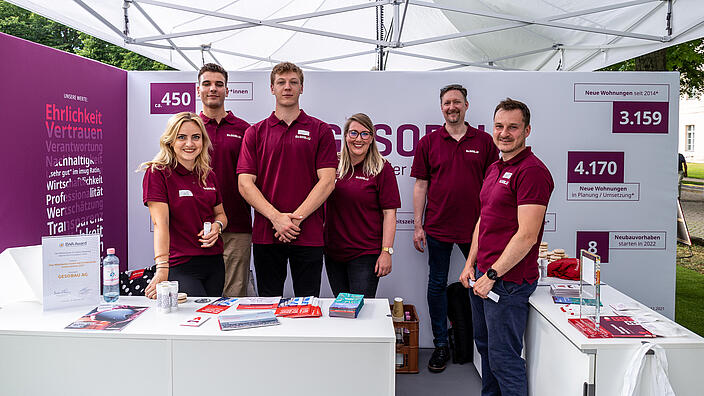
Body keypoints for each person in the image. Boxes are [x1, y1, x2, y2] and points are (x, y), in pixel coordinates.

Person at [459, 98, 554, 396]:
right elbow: (482, 221)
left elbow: (527, 235)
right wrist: (470, 264)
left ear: (527, 130)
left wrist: (493, 276)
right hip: (483, 277)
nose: (505, 133)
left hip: (508, 283)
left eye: (513, 127)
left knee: (504, 360)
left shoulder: (532, 172)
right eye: (499, 126)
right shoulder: (494, 168)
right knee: (487, 351)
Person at [410, 84, 498, 373]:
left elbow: (494, 188)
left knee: (483, 284)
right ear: (441, 107)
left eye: (457, 102)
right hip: (437, 227)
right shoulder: (428, 142)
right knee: (436, 284)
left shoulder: (485, 141)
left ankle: (483, 347)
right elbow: (421, 185)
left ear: (466, 105)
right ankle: (440, 345)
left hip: (477, 229)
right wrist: (418, 226)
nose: (452, 107)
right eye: (447, 103)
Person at [237, 62, 336, 297]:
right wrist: (276, 218)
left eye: (293, 82)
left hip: (309, 234)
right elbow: (245, 183)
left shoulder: (321, 130)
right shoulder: (256, 132)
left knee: (308, 305)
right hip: (266, 234)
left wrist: (294, 220)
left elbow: (327, 181)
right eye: (281, 82)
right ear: (272, 88)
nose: (287, 87)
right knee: (268, 304)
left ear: (302, 88)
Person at [140, 112, 227, 298]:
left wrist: (217, 227)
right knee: (191, 321)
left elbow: (220, 214)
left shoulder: (208, 174)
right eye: (182, 137)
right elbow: (159, 223)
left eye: (196, 137)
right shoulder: (158, 173)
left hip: (215, 262)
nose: (190, 144)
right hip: (180, 265)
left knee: (209, 319)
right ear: (170, 141)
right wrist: (162, 269)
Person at [324, 113, 401, 298]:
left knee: (361, 311)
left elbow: (390, 213)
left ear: (372, 138)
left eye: (365, 134)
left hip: (365, 254)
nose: (359, 139)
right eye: (353, 133)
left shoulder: (382, 168)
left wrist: (386, 252)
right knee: (342, 309)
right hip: (333, 253)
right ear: (345, 136)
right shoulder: (332, 164)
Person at [197, 63, 252, 297]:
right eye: (207, 84)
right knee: (198, 297)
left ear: (227, 91)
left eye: (219, 84)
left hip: (237, 225)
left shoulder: (245, 130)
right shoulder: (188, 128)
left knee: (234, 296)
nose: (213, 89)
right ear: (197, 89)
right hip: (195, 226)